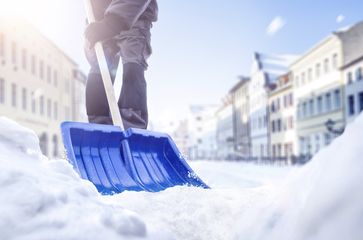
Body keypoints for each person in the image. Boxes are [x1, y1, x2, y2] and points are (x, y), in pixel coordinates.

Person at [84, 0, 158, 129]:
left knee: (132, 66)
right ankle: (99, 128)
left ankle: (131, 127)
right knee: (100, 70)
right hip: (99, 18)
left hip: (134, 15)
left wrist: (113, 22)